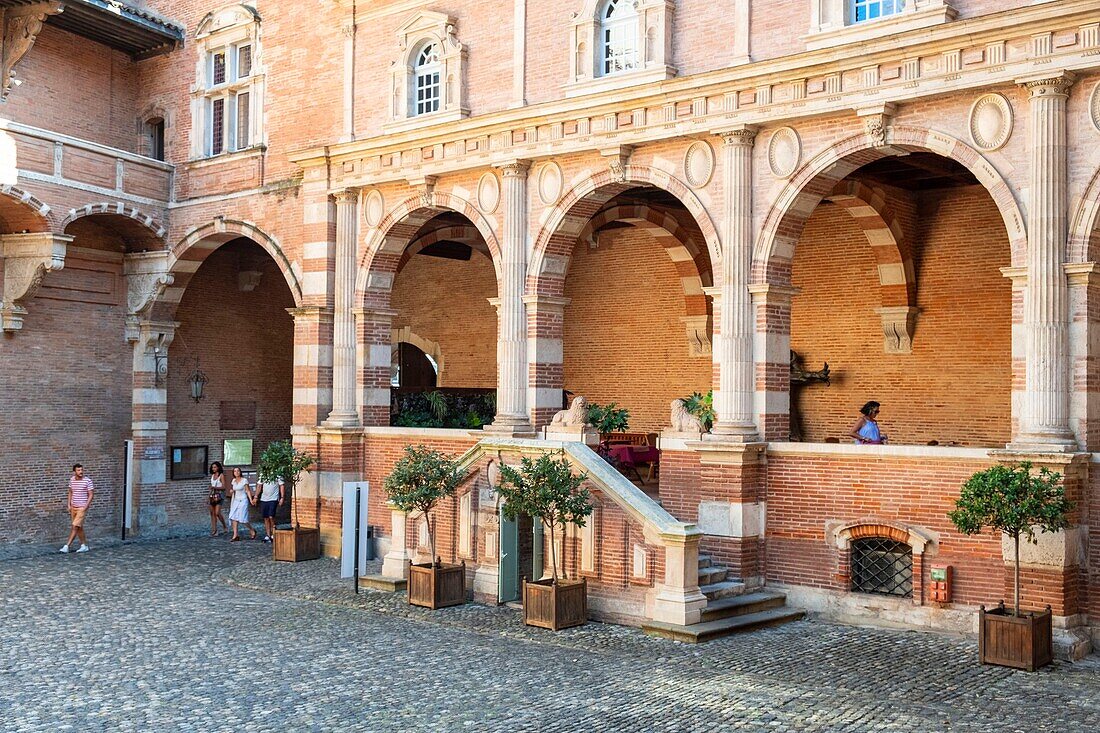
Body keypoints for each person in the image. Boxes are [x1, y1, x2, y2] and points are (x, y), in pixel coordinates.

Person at [60, 463, 93, 553]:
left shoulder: (87, 481)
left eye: (82, 470)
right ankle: (84, 546)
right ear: (74, 471)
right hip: (73, 507)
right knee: (79, 527)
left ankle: (66, 546)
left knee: (74, 526)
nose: (81, 472)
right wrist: (69, 505)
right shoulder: (72, 480)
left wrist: (86, 506)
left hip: (82, 508)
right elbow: (70, 492)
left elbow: (91, 494)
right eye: (78, 470)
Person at [227, 467, 257, 542]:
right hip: (236, 500)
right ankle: (235, 535)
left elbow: (248, 491)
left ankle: (252, 529)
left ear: (240, 472)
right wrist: (231, 491)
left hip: (243, 500)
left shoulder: (244, 480)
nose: (236, 472)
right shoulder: (233, 481)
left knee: (243, 519)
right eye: (235, 471)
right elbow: (234, 489)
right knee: (233, 517)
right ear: (233, 473)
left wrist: (250, 500)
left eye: (238, 471)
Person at [257, 473, 285, 543]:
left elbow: (281, 485)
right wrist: (256, 496)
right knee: (266, 517)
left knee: (271, 516)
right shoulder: (263, 474)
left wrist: (282, 497)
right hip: (264, 498)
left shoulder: (277, 474)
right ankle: (268, 535)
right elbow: (259, 486)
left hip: (273, 498)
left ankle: (274, 533)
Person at [209, 461, 228, 537]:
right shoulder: (212, 475)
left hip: (220, 495)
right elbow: (211, 487)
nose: (213, 468)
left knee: (217, 512)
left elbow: (224, 487)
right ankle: (214, 530)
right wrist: (208, 496)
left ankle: (224, 525)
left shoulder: (221, 475)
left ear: (218, 467)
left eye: (215, 467)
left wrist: (215, 487)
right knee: (212, 513)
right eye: (212, 467)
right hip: (212, 495)